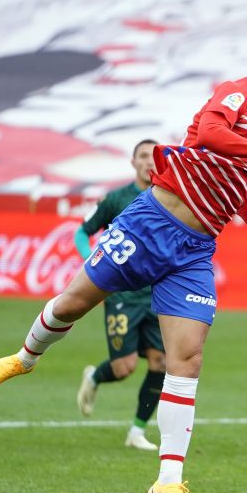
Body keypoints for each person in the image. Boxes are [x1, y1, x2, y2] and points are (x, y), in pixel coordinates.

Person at [0, 40, 247, 493]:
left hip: (193, 252)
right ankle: (24, 359)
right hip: (150, 224)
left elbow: (245, 193)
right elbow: (213, 134)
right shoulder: (242, 92)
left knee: (187, 358)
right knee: (71, 304)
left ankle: (168, 481)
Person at [74, 139, 165, 451]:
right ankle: (95, 376)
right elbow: (82, 231)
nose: (149, 162)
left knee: (161, 362)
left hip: (157, 295)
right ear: (133, 162)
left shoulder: (170, 197)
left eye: (155, 156)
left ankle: (137, 431)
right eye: (143, 156)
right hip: (123, 295)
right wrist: (92, 261)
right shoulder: (117, 199)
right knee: (124, 367)